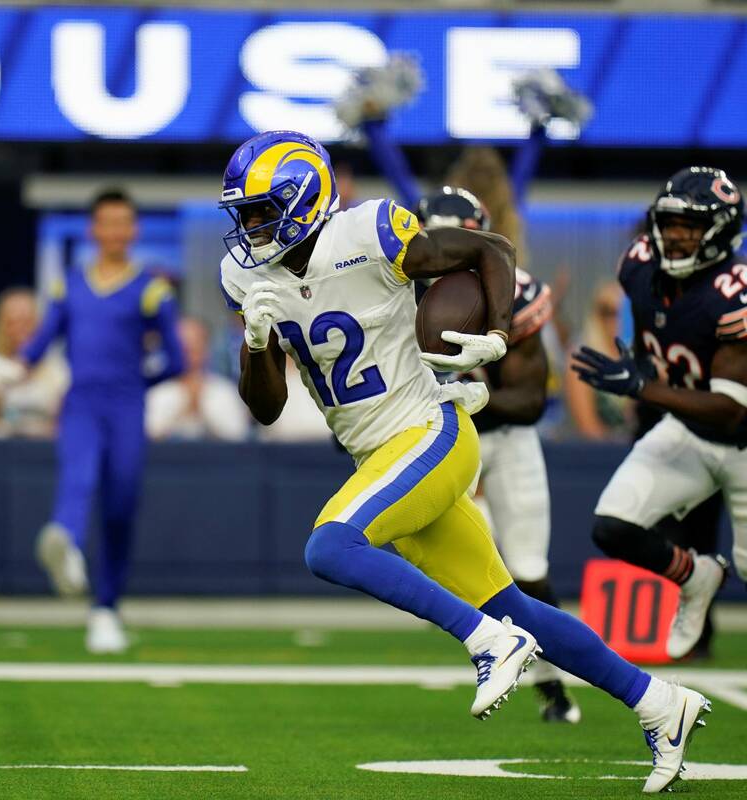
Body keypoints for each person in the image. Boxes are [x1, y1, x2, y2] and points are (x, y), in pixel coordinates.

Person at [219, 131, 709, 794]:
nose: (247, 229)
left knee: (329, 548)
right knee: (516, 607)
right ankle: (658, 702)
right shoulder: (247, 275)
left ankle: (485, 642)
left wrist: (499, 331)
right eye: (241, 215)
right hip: (376, 454)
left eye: (256, 211)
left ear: (301, 200)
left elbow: (490, 249)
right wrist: (255, 343)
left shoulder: (370, 231)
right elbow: (268, 407)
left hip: (429, 431)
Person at [417, 187, 578, 723]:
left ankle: (555, 689)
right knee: (463, 566)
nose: (445, 255)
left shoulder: (515, 292)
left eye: (458, 241)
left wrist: (472, 396)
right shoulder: (392, 292)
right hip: (437, 439)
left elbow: (531, 400)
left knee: (529, 569)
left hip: (503, 442)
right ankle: (494, 652)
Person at [574, 166, 745, 662]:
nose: (674, 236)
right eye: (669, 223)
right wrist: (646, 370)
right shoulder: (639, 266)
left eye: (689, 226)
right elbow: (662, 327)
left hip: (740, 439)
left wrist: (644, 386)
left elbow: (731, 408)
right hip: (687, 429)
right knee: (613, 525)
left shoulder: (734, 293)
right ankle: (696, 575)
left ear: (722, 229)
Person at [22, 188, 184, 654]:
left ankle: (106, 607)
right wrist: (18, 363)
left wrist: (139, 384)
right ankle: (65, 542)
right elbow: (39, 343)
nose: (114, 232)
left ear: (133, 231)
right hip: (81, 404)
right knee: (79, 475)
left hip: (127, 407)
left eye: (123, 223)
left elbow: (176, 359)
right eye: (106, 223)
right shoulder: (67, 284)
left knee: (120, 505)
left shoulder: (152, 290)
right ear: (93, 229)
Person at [0, 287, 66, 439]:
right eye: (12, 322)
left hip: (44, 448)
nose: (21, 329)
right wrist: (7, 377)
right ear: (0, 325)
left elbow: (66, 419)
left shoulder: (58, 365)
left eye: (27, 321)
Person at [146, 317, 249, 441]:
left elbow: (238, 435)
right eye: (183, 347)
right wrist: (184, 407)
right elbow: (148, 433)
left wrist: (201, 406)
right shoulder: (157, 392)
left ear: (206, 349)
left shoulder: (225, 392)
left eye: (195, 346)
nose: (189, 353)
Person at [563, 282, 635, 441]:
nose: (616, 320)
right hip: (599, 456)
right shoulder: (582, 361)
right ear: (597, 316)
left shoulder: (641, 359)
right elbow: (588, 428)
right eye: (608, 312)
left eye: (624, 312)